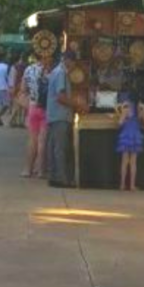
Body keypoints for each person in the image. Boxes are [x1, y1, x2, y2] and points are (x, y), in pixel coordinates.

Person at [46, 51, 85, 188]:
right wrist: (77, 104)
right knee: (61, 148)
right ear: (68, 60)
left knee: (54, 147)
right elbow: (61, 97)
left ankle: (54, 176)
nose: (74, 65)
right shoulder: (61, 73)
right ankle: (61, 178)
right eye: (73, 62)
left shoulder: (56, 72)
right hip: (60, 116)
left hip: (54, 115)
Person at [20, 54, 52, 178]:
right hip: (46, 108)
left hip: (32, 107)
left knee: (32, 140)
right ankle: (41, 170)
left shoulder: (29, 69)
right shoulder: (51, 70)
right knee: (42, 141)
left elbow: (23, 89)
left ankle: (27, 169)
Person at [116, 98, 144, 191]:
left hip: (125, 137)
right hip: (135, 137)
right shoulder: (138, 110)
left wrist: (122, 112)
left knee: (124, 162)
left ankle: (122, 185)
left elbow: (119, 123)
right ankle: (132, 186)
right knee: (133, 163)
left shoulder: (125, 109)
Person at [8, 53, 28, 127]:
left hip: (16, 87)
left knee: (17, 105)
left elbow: (12, 78)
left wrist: (11, 88)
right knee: (21, 106)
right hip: (22, 87)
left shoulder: (14, 67)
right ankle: (19, 121)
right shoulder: (25, 66)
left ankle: (15, 121)